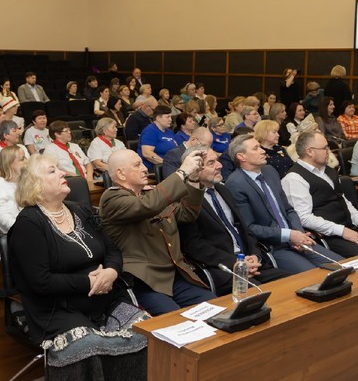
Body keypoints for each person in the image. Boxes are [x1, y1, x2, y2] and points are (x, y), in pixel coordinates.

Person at [7, 153, 148, 381]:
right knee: (87, 345)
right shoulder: (29, 224)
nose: (63, 173)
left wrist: (111, 273)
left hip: (104, 298)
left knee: (146, 329)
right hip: (56, 309)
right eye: (53, 171)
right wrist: (88, 282)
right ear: (35, 184)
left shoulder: (81, 210)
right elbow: (40, 283)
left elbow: (112, 250)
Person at [99, 149, 215, 315]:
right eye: (137, 165)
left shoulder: (150, 194)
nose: (145, 168)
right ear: (121, 174)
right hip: (145, 282)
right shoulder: (112, 199)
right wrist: (182, 172)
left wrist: (194, 179)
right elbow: (148, 206)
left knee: (214, 310)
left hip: (175, 275)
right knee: (175, 322)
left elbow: (187, 213)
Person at [225, 134, 344, 273]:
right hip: (274, 246)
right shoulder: (235, 184)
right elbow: (250, 227)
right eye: (256, 148)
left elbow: (288, 209)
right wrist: (289, 235)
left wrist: (299, 234)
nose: (263, 151)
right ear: (241, 157)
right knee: (314, 275)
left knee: (343, 265)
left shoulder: (269, 171)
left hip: (296, 238)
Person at [178, 147, 291, 293]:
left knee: (290, 282)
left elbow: (244, 229)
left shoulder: (223, 190)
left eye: (218, 160)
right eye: (211, 163)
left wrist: (255, 255)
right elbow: (194, 246)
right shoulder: (186, 200)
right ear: (194, 170)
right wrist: (236, 263)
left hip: (248, 261)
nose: (220, 165)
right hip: (222, 268)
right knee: (257, 293)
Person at [282, 131, 358, 258]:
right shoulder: (294, 179)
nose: (329, 151)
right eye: (324, 148)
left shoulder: (327, 170)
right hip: (329, 236)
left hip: (350, 227)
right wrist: (342, 231)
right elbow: (303, 217)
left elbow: (343, 199)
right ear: (309, 151)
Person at [0, 145, 25, 238]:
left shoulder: (27, 182)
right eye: (22, 159)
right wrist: (28, 229)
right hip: (13, 235)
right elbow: (4, 219)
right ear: (10, 163)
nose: (26, 161)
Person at [139, 105, 179, 169]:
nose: (170, 120)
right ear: (158, 118)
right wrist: (166, 164)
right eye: (167, 117)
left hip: (171, 165)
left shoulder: (169, 131)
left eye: (171, 117)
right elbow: (147, 153)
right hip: (155, 168)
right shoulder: (150, 131)